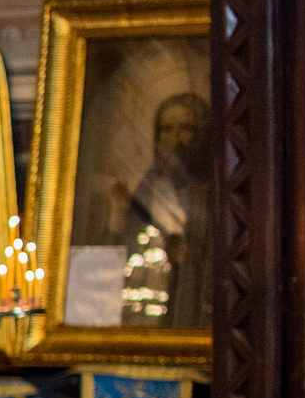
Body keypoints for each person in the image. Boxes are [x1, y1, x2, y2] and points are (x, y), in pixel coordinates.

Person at [80, 92, 211, 328]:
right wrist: (118, 215)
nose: (175, 139)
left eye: (185, 129)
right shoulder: (146, 191)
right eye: (167, 129)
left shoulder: (211, 193)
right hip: (145, 309)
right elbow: (116, 254)